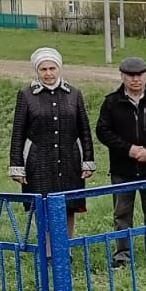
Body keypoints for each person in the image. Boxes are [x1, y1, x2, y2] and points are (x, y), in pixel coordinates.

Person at [95, 57, 146, 270]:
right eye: (131, 76)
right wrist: (128, 149)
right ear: (123, 77)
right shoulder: (112, 102)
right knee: (122, 214)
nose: (135, 80)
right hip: (123, 169)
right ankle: (122, 255)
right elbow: (103, 131)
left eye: (139, 75)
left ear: (145, 76)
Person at [9, 48, 95, 240]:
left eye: (52, 68)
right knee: (44, 207)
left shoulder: (74, 94)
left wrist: (88, 160)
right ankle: (48, 250)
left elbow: (84, 130)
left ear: (59, 69)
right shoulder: (26, 95)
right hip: (39, 160)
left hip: (69, 158)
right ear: (37, 71)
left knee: (68, 205)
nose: (48, 73)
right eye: (43, 69)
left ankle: (65, 247)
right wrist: (17, 166)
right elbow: (18, 133)